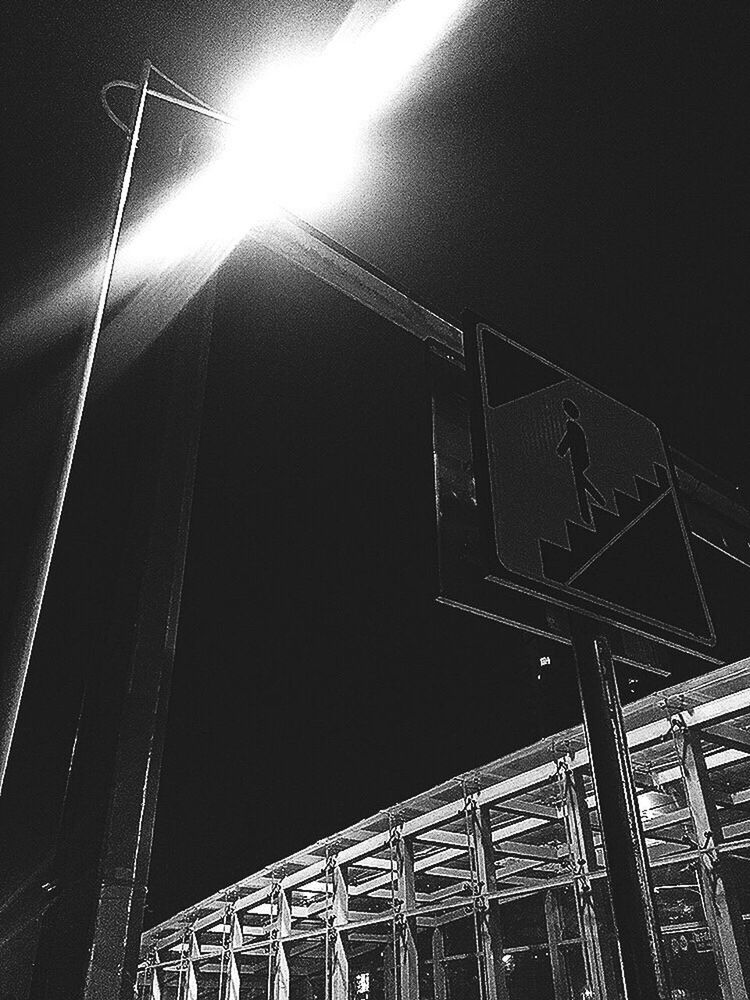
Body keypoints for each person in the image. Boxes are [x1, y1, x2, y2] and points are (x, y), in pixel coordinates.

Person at [556, 398, 605, 524]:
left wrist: (560, 450)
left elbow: (565, 443)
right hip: (581, 461)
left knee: (580, 486)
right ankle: (599, 502)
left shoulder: (573, 428)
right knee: (582, 483)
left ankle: (587, 516)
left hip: (578, 462)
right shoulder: (576, 428)